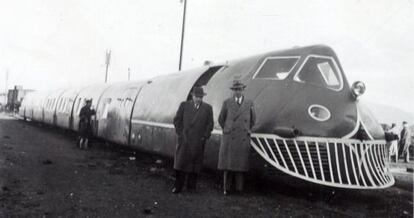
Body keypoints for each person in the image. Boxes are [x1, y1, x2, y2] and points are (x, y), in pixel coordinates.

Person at [172, 86, 214, 193]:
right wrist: (180, 134)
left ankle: (191, 187)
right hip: (184, 140)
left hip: (198, 141)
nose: (198, 99)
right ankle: (178, 187)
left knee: (195, 166)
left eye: (200, 97)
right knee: (180, 164)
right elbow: (177, 120)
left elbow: (210, 124)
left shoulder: (208, 108)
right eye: (197, 96)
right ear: (192, 96)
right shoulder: (184, 105)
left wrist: (204, 136)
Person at [218, 79, 256, 195]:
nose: (238, 92)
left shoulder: (249, 103)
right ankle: (227, 188)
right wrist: (227, 128)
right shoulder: (227, 102)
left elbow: (253, 119)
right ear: (233, 91)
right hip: (230, 137)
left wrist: (248, 130)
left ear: (243, 90)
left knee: (240, 166)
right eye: (235, 90)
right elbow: (221, 119)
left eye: (239, 89)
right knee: (228, 166)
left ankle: (239, 189)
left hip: (242, 137)